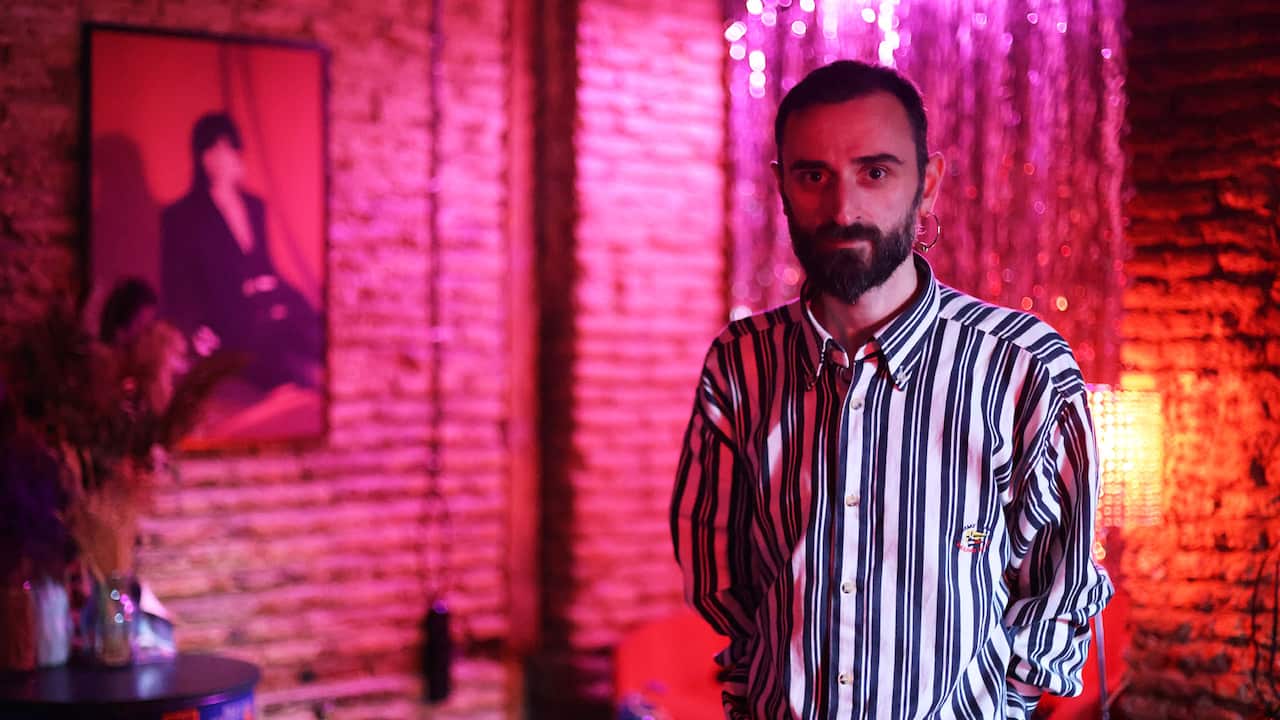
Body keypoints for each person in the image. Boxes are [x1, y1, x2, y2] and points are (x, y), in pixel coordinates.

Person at [670, 60, 1113, 719]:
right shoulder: (740, 364)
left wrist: (1006, 705)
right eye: (813, 175)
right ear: (782, 188)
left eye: (875, 172)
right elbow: (720, 576)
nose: (843, 208)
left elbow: (1058, 586)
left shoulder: (1020, 366)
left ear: (927, 186)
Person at [160, 112, 322, 399]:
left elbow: (264, 266)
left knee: (309, 323)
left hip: (264, 304)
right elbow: (177, 288)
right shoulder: (182, 216)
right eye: (212, 148)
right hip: (225, 319)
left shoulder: (254, 206)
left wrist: (273, 292)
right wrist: (195, 331)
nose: (221, 157)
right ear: (200, 156)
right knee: (277, 355)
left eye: (228, 147)